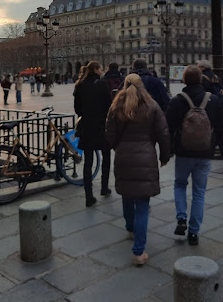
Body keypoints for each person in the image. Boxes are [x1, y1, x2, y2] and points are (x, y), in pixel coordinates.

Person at [105, 73, 171, 265]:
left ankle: (130, 228)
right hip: (146, 156)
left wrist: (119, 146)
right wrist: (164, 156)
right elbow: (163, 134)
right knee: (142, 205)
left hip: (124, 156)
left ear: (124, 85)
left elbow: (109, 132)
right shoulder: (152, 106)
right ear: (142, 86)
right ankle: (139, 251)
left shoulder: (116, 105)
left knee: (127, 195)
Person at [165, 66, 223, 245]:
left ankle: (181, 218)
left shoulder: (177, 101)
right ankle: (194, 232)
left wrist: (170, 148)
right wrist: (212, 143)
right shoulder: (214, 101)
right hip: (204, 153)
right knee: (199, 192)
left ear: (184, 80)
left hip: (183, 152)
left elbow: (168, 127)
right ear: (201, 80)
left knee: (179, 184)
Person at [73, 61, 112, 206]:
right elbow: (109, 105)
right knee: (106, 157)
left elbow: (78, 110)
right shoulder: (102, 84)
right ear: (96, 69)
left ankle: (89, 196)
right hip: (101, 126)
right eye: (101, 68)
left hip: (87, 126)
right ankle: (104, 187)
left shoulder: (80, 85)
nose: (102, 71)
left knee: (88, 162)